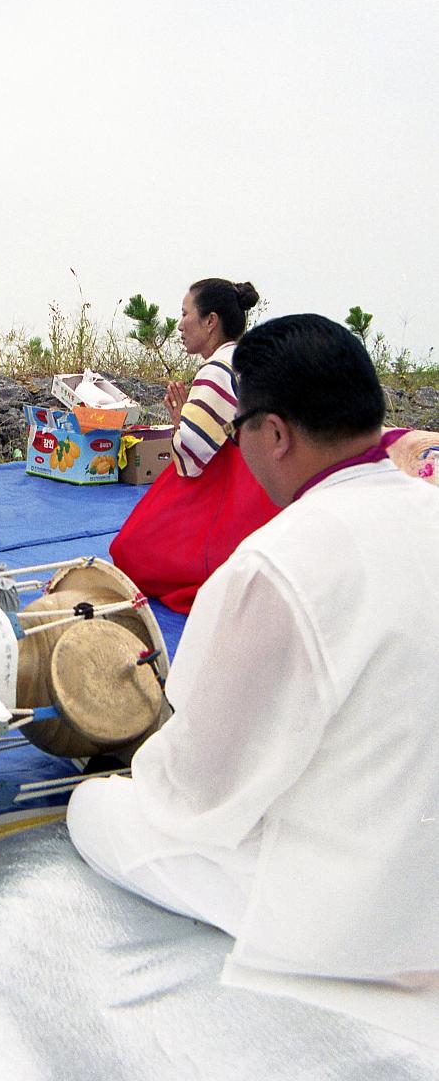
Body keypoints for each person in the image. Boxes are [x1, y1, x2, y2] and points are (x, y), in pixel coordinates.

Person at [68, 315, 439, 1039]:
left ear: (274, 433)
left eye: (239, 431)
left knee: (99, 809)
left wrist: (133, 761)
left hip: (369, 915)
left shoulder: (275, 562)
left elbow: (198, 791)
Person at [110, 277, 277, 613]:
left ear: (210, 320)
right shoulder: (248, 359)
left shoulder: (216, 369)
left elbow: (193, 454)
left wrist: (179, 420)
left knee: (129, 551)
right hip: (264, 487)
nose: (180, 325)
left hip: (230, 488)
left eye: (185, 313)